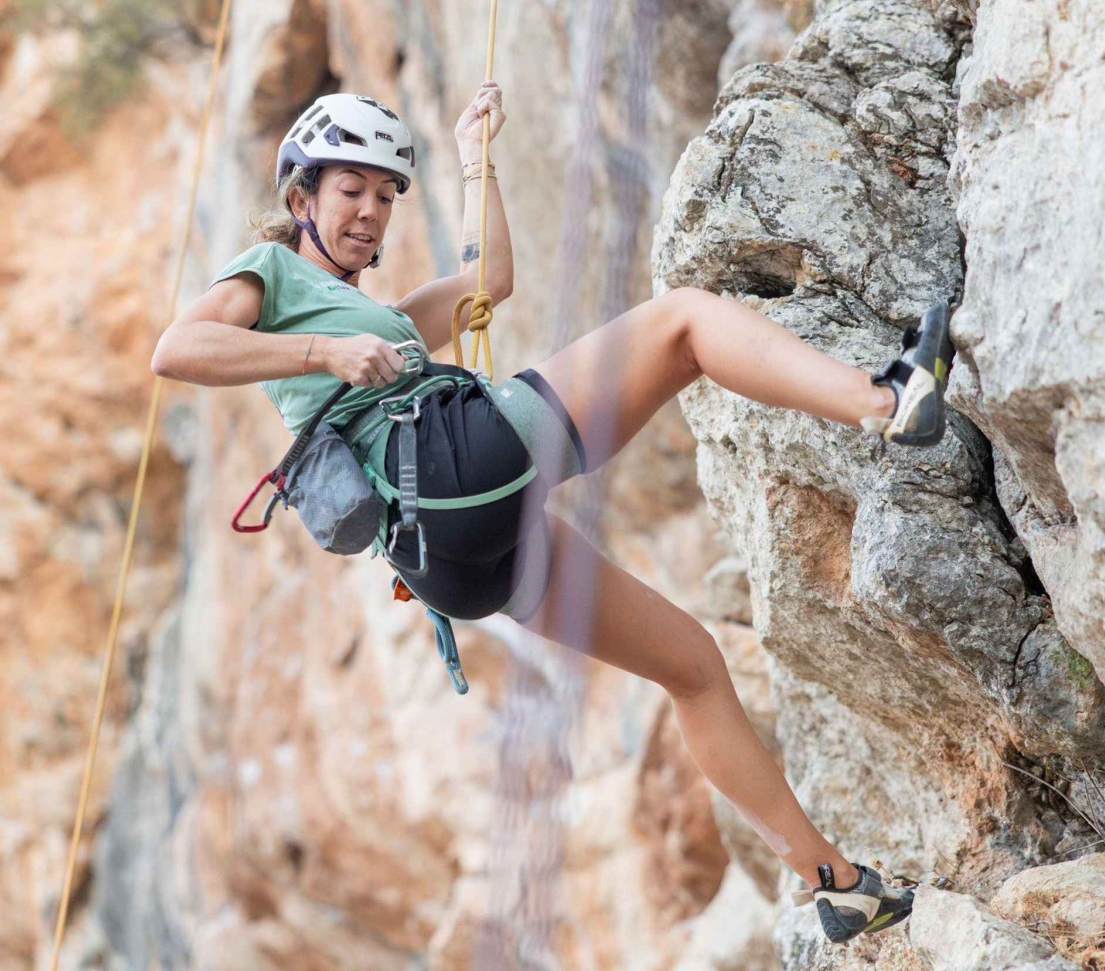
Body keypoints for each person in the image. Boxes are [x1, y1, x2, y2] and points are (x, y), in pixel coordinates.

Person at [151, 83, 949, 943]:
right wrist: (325, 349)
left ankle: (835, 882)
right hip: (451, 470)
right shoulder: (273, 277)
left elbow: (490, 279)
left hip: (452, 561)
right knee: (681, 322)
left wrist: (474, 156)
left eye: (386, 196)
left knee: (693, 665)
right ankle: (883, 399)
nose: (371, 212)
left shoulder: (384, 322)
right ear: (301, 195)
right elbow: (177, 349)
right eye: (351, 189)